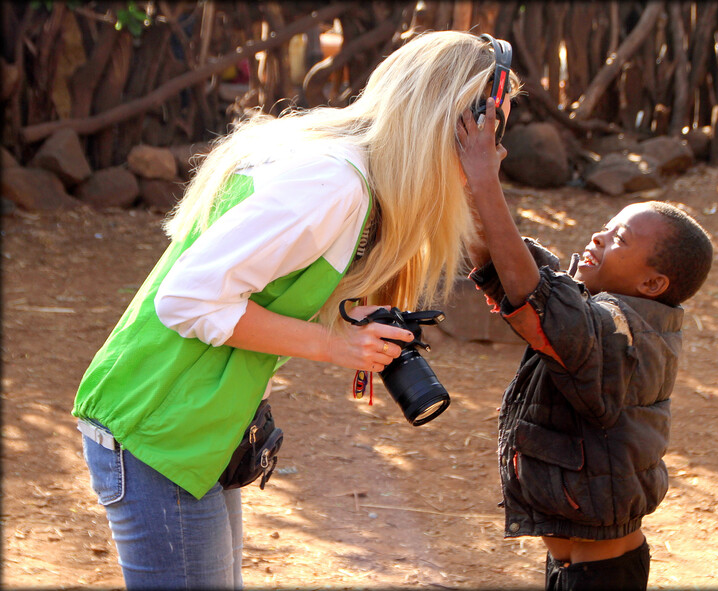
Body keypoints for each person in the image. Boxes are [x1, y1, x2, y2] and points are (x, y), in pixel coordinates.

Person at [72, 31, 520, 590]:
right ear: (446, 118)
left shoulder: (356, 177)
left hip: (198, 429)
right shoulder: (334, 182)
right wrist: (336, 347)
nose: (493, 145)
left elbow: (264, 290)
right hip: (157, 429)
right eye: (487, 126)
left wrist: (342, 319)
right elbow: (186, 299)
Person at [457, 99, 713, 590]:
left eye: (619, 239)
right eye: (607, 225)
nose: (598, 237)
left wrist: (486, 179)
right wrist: (469, 182)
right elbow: (499, 264)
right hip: (578, 565)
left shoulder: (623, 336)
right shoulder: (598, 309)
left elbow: (533, 297)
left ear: (653, 284)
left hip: (602, 576)